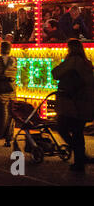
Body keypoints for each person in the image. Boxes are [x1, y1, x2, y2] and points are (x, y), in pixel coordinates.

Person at [51, 39, 94, 172]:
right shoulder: (87, 63)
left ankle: (79, 159)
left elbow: (55, 73)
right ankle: (80, 159)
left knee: (62, 127)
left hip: (72, 104)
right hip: (85, 103)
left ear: (71, 49)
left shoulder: (73, 61)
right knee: (77, 132)